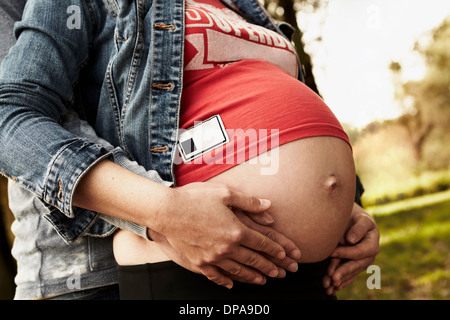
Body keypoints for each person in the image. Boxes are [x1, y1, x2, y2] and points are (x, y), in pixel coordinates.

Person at [0, 0, 379, 300]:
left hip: (304, 266)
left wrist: (346, 205)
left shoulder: (248, 7)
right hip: (187, 259)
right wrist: (163, 210)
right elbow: (11, 116)